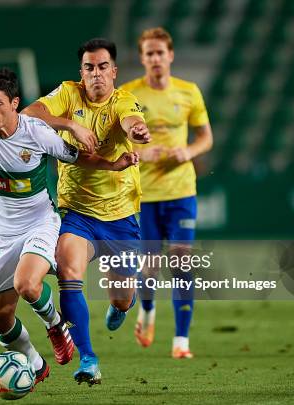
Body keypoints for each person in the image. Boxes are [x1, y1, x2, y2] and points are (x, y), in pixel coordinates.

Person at [0, 68, 139, 386]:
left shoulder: (37, 133)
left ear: (14, 103)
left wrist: (112, 164)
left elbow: (77, 156)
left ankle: (56, 326)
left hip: (40, 224)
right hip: (3, 234)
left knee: (27, 285)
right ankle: (34, 361)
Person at [22, 38, 150, 385]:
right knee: (69, 273)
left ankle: (121, 306)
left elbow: (131, 121)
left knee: (122, 299)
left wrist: (137, 131)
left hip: (121, 217)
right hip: (77, 213)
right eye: (89, 68)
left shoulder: (123, 101)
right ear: (82, 72)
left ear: (114, 71)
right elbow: (28, 115)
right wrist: (70, 124)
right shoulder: (67, 93)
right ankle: (89, 359)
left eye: (103, 67)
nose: (96, 74)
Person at [119, 27, 214, 359]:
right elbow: (116, 140)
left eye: (160, 52)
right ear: (142, 58)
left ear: (170, 55)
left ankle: (181, 341)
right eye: (149, 53)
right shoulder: (128, 95)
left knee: (181, 260)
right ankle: (146, 310)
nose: (155, 58)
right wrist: (142, 153)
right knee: (149, 266)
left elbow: (205, 137)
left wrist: (189, 152)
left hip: (181, 191)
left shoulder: (189, 92)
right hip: (144, 194)